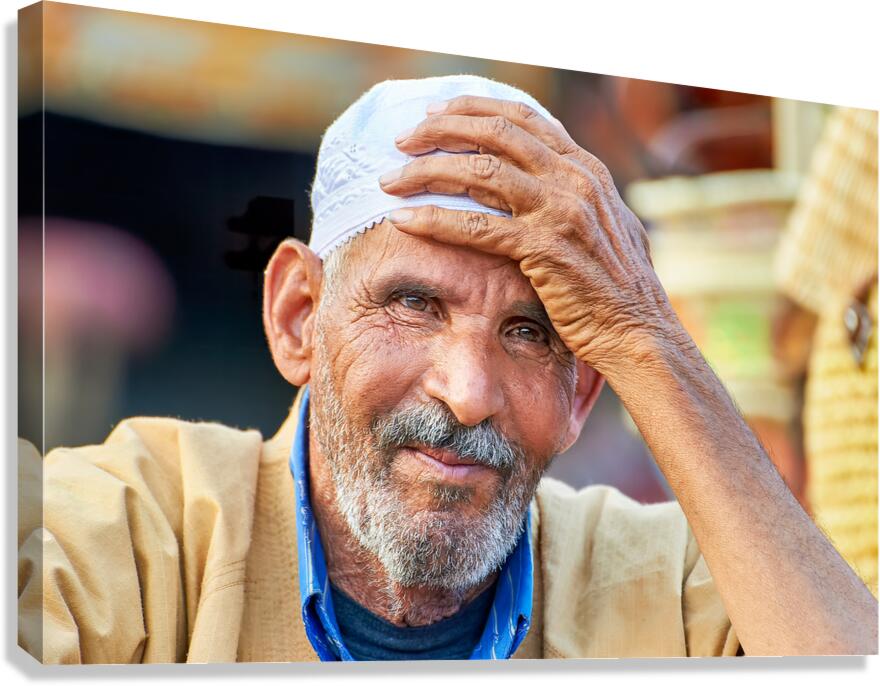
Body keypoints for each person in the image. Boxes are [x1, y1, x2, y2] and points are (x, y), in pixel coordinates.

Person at [18, 75, 877, 664]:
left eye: (531, 333)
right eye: (413, 306)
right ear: (299, 319)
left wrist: (642, 333)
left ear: (584, 392)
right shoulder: (126, 539)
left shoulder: (675, 586)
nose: (467, 393)